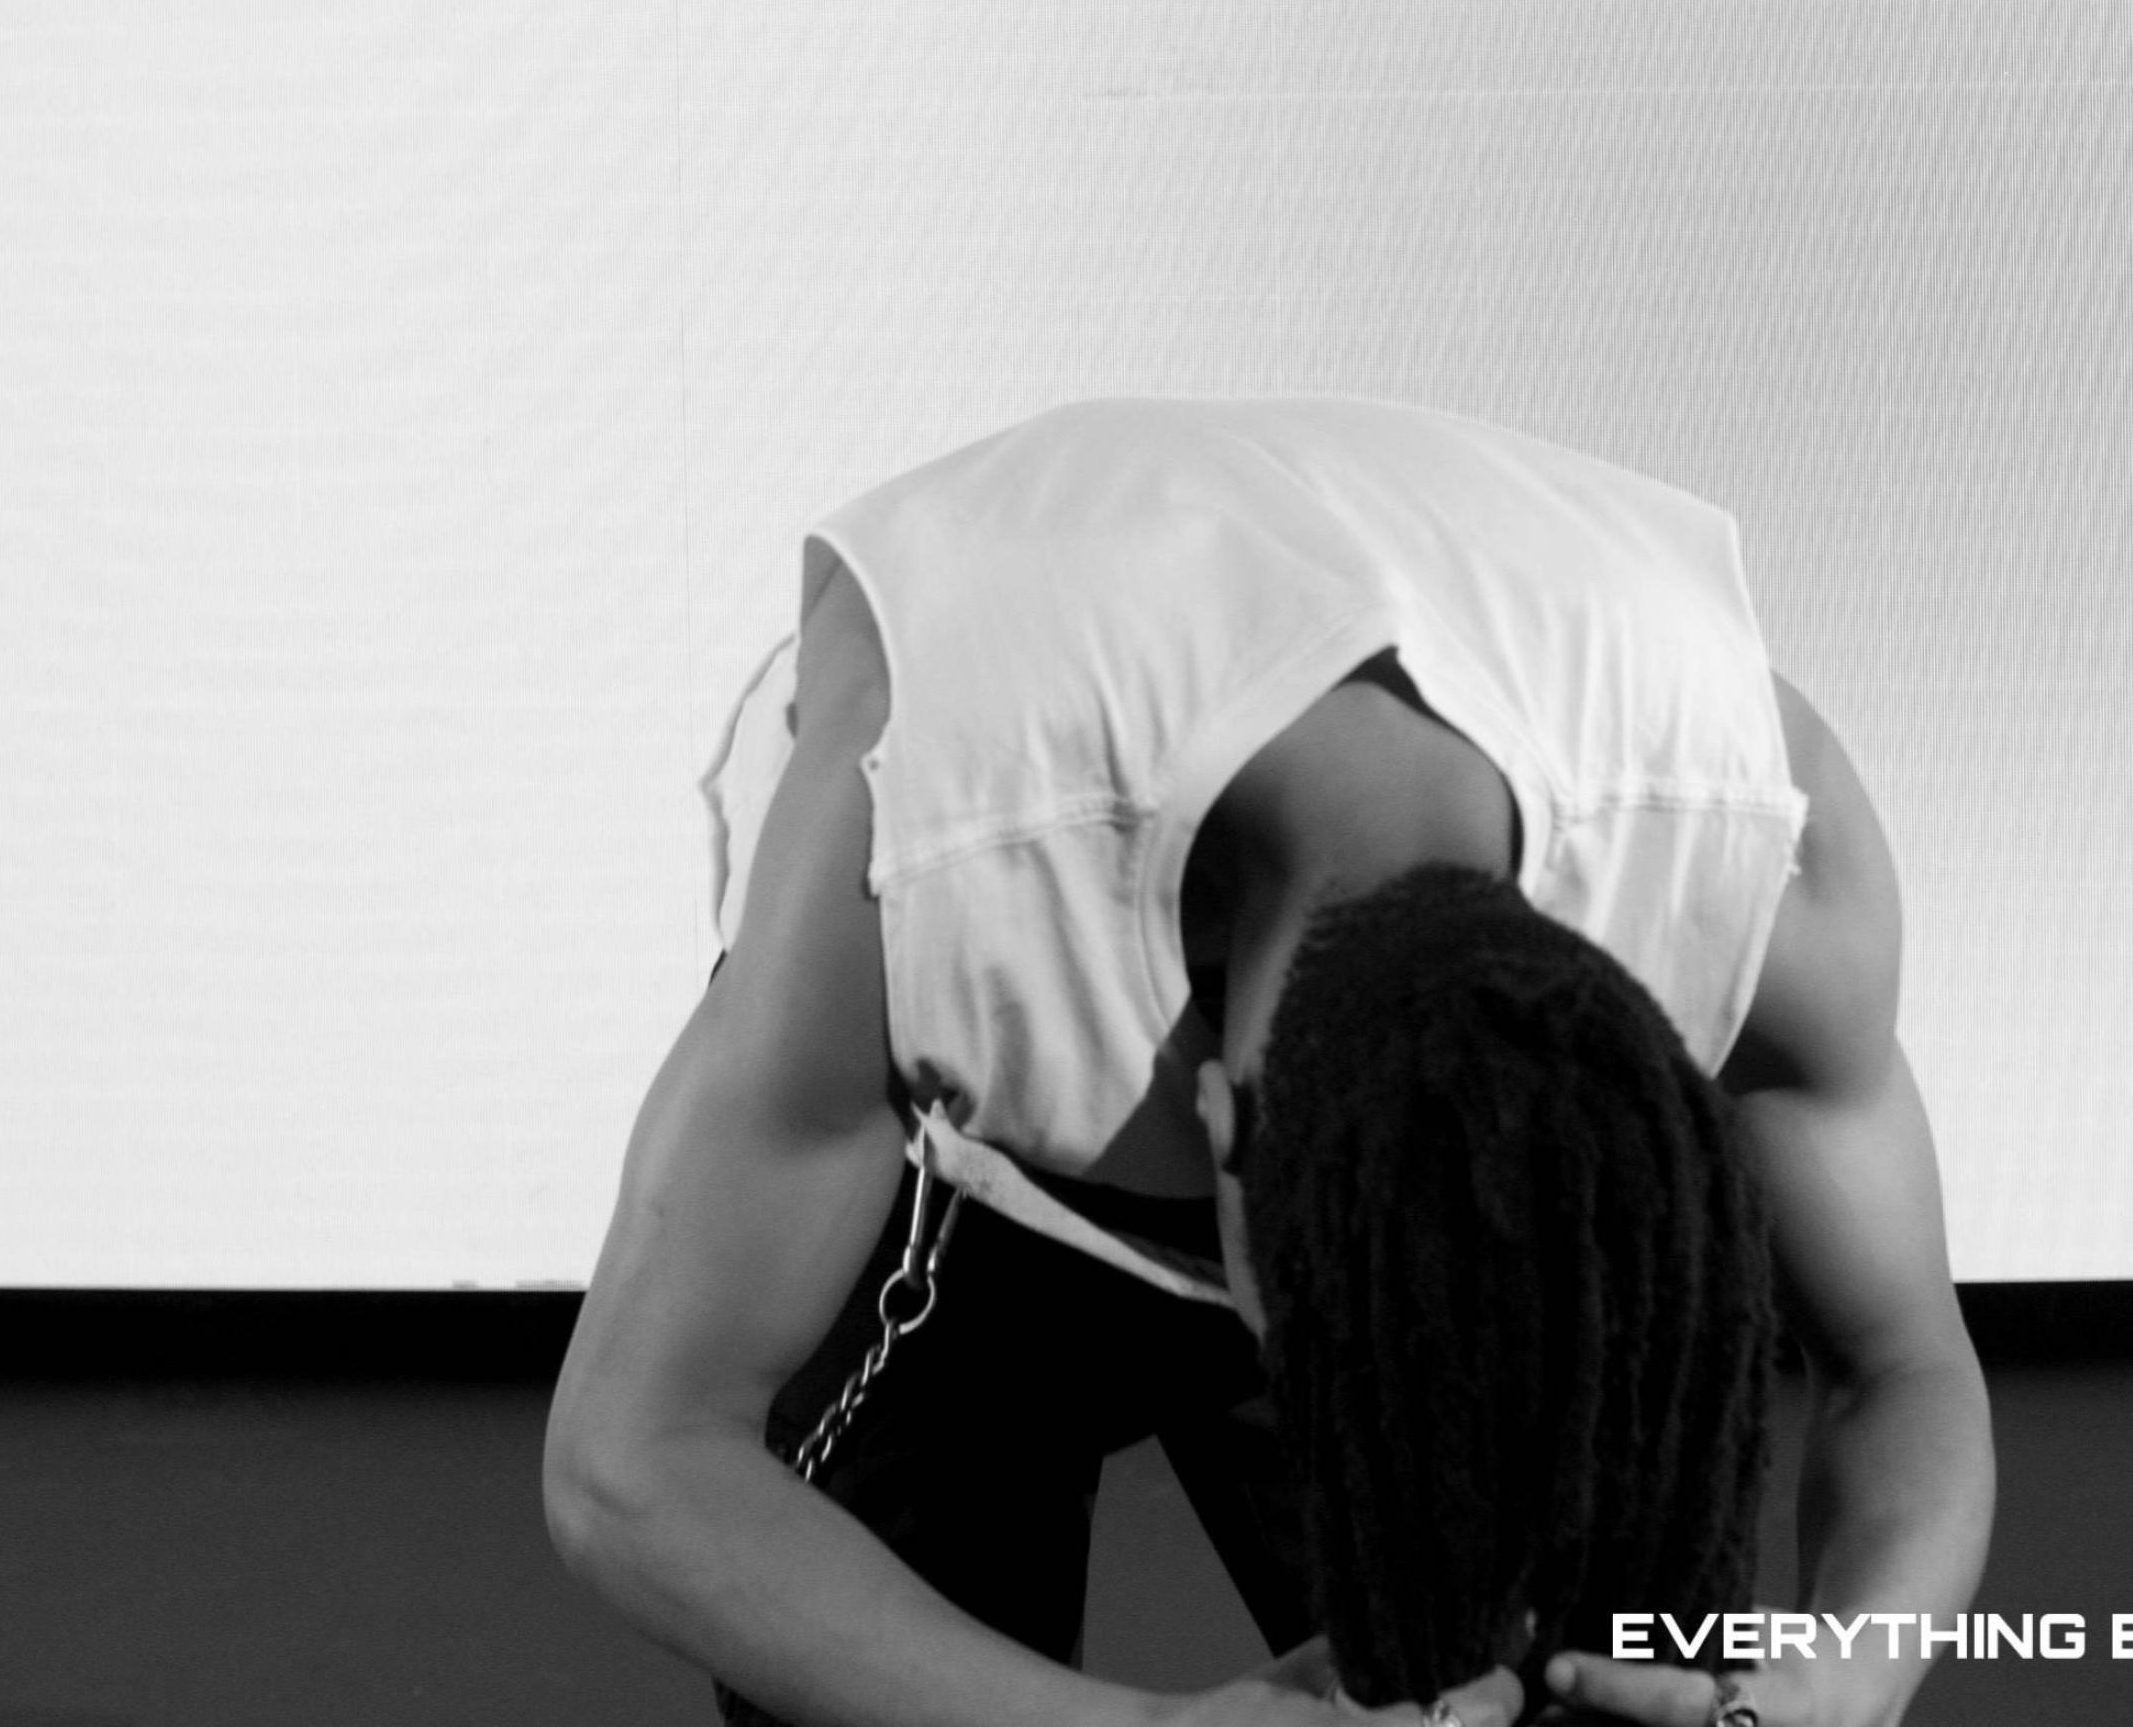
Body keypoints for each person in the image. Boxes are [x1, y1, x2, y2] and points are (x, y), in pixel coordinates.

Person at [545, 396, 1992, 1727]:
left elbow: (1903, 1362)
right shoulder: (923, 850)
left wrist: (1846, 1678)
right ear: (1215, 1125)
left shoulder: (1745, 845)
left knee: (1581, 1681)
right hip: (962, 1178)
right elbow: (636, 1461)